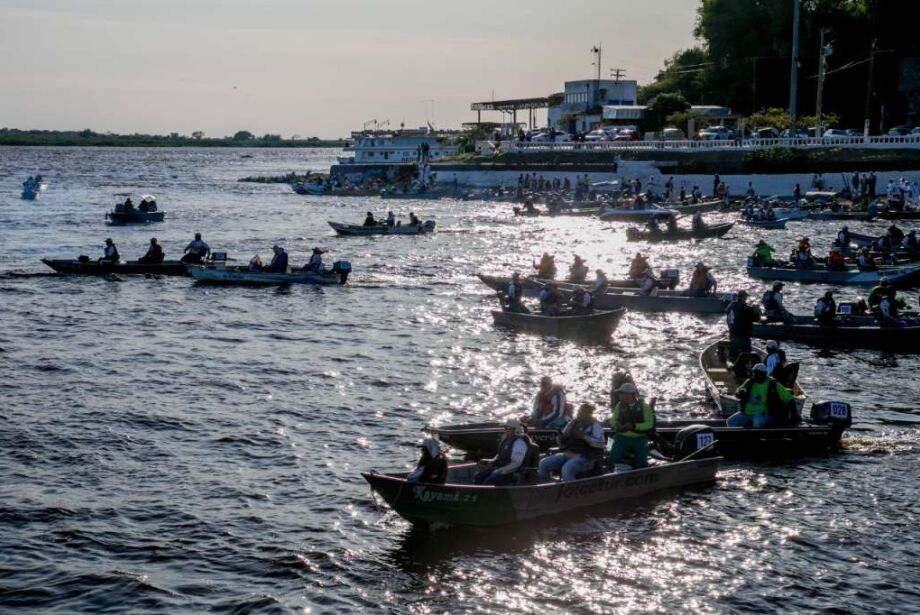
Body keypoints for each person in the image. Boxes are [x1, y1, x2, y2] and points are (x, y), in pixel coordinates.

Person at [537, 403, 606, 482]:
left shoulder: (595, 426)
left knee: (567, 469)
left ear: (589, 414)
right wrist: (560, 438)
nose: (579, 414)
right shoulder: (572, 423)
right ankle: (546, 488)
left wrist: (584, 437)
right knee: (543, 463)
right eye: (579, 412)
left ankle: (571, 491)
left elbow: (601, 444)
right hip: (568, 454)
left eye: (582, 412)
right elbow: (563, 439)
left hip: (586, 457)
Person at [727, 363, 795, 428]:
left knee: (757, 424)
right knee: (730, 421)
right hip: (746, 412)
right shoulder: (750, 382)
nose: (755, 375)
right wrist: (740, 392)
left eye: (758, 373)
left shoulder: (773, 384)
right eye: (754, 373)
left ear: (764, 374)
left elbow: (789, 398)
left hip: (762, 413)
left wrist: (795, 415)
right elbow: (738, 391)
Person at [607, 382, 655, 470]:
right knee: (613, 458)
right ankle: (610, 472)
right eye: (620, 393)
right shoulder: (619, 405)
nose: (620, 395)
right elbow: (613, 419)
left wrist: (634, 426)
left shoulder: (644, 407)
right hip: (622, 437)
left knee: (642, 461)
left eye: (622, 393)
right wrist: (616, 425)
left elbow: (649, 424)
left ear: (631, 395)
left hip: (640, 438)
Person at [473, 419, 534, 486]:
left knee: (489, 481)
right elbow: (500, 454)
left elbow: (516, 464)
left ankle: (485, 494)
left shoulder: (519, 443)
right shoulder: (506, 439)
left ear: (515, 430)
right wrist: (492, 461)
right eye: (505, 427)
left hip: (511, 472)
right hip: (500, 467)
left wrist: (501, 470)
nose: (505, 430)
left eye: (508, 428)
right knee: (478, 476)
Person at [726, 290, 761, 356]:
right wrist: (757, 311)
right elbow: (757, 319)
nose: (746, 298)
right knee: (746, 355)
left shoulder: (731, 306)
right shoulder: (747, 308)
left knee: (734, 355)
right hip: (744, 337)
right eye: (746, 297)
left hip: (733, 335)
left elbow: (728, 318)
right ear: (744, 297)